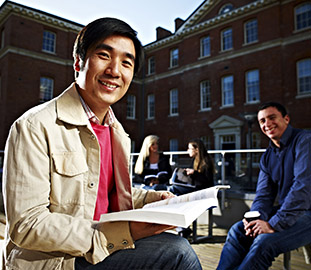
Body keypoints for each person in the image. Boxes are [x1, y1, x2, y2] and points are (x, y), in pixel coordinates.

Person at [2, 18, 202, 270]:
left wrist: (151, 199)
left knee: (172, 242)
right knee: (177, 253)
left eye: (126, 63)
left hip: (104, 249)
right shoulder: (34, 125)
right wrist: (118, 234)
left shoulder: (117, 132)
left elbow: (103, 193)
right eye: (104, 55)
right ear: (78, 61)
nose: (115, 71)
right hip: (59, 260)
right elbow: (26, 224)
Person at [217, 102, 311, 270]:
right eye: (262, 121)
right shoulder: (267, 157)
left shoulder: (305, 141)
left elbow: (303, 188)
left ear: (286, 119)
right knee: (237, 231)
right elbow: (263, 195)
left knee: (263, 242)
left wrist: (273, 224)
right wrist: (255, 218)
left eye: (272, 118)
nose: (267, 124)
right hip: (288, 212)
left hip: (308, 212)